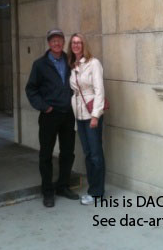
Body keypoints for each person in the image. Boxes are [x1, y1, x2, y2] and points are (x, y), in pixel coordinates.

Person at [25, 29, 79, 208]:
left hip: (68, 114)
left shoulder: (70, 60)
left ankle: (63, 186)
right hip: (49, 115)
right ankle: (47, 191)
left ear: (63, 42)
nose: (56, 43)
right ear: (49, 43)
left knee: (67, 152)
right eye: (53, 40)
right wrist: (44, 106)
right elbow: (31, 89)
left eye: (59, 40)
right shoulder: (40, 64)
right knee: (46, 154)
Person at [67, 33, 105, 205]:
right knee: (88, 153)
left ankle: (97, 192)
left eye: (79, 42)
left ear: (84, 45)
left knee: (96, 154)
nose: (76, 45)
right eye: (73, 43)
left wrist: (95, 116)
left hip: (91, 115)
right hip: (79, 116)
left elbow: (99, 91)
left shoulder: (93, 63)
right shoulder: (72, 65)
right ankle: (93, 189)